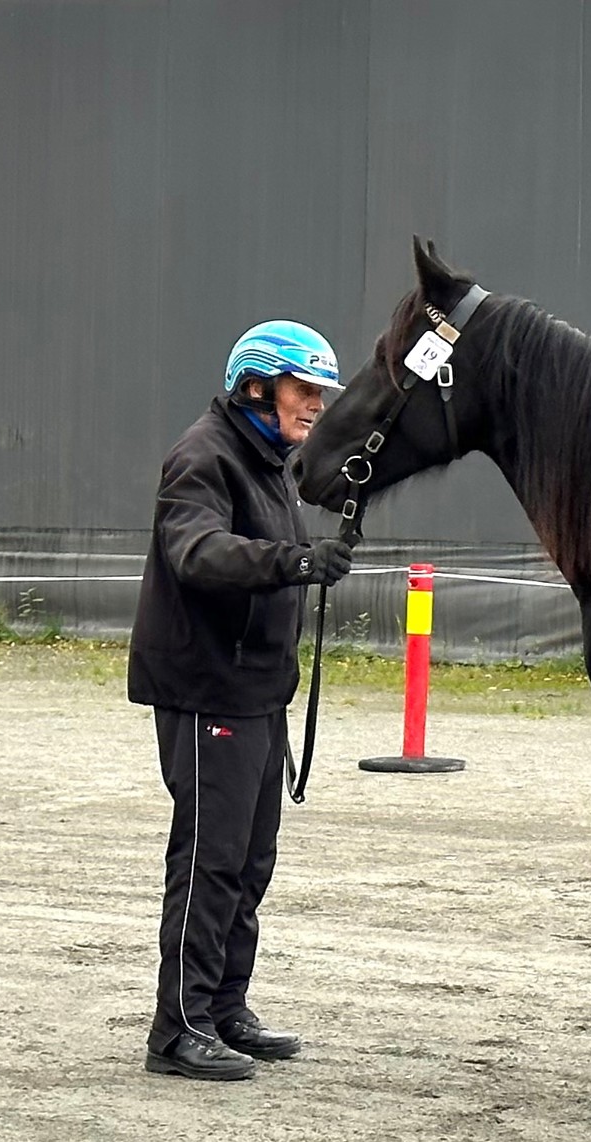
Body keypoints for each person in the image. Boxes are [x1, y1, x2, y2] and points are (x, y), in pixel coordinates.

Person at [127, 320, 355, 1081]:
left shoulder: (269, 463)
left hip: (255, 692)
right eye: (304, 388)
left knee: (251, 861)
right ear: (255, 386)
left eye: (321, 391)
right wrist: (293, 559)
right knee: (209, 862)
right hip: (206, 690)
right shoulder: (203, 457)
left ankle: (225, 1007)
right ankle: (178, 1028)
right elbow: (196, 552)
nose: (316, 404)